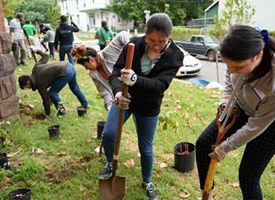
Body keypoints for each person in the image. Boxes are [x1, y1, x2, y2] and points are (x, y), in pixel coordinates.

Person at [196, 25, 275, 200]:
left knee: (248, 177)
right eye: (228, 65)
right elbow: (230, 77)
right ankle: (207, 196)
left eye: (237, 67)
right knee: (203, 144)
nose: (231, 70)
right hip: (241, 107)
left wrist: (225, 148)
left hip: (273, 122)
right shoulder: (237, 55)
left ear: (257, 56)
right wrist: (227, 98)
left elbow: (257, 124)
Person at [98, 13, 184, 200]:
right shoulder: (134, 45)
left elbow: (161, 85)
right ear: (145, 35)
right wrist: (118, 92)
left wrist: (135, 79)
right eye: (151, 40)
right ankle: (111, 164)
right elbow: (114, 73)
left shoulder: (175, 56)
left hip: (149, 106)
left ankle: (147, 181)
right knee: (108, 133)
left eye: (161, 41)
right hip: (125, 100)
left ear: (170, 35)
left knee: (145, 147)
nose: (155, 45)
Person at [18, 47, 88, 118]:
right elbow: (46, 56)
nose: (28, 88)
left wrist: (47, 114)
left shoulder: (40, 84)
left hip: (65, 72)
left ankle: (62, 111)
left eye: (26, 87)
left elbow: (45, 100)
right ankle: (85, 105)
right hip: (69, 65)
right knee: (74, 88)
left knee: (52, 93)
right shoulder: (35, 68)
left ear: (27, 82)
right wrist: (37, 50)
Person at [72, 31, 130, 111]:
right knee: (111, 123)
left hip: (134, 86)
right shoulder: (93, 74)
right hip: (121, 99)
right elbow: (104, 92)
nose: (86, 69)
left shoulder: (107, 53)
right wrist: (109, 107)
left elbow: (123, 35)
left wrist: (131, 52)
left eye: (86, 66)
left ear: (91, 60)